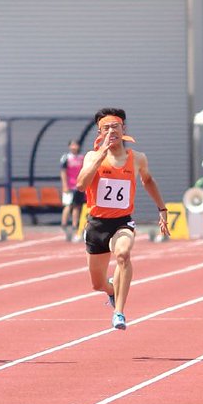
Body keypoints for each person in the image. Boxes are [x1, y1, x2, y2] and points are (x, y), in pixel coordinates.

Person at [74, 107, 169, 331]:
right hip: (97, 224)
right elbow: (80, 185)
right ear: (99, 131)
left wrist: (162, 209)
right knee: (97, 283)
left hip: (122, 222)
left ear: (123, 128)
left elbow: (148, 181)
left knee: (123, 254)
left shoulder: (137, 159)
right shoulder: (92, 156)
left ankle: (119, 312)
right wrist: (99, 156)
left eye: (115, 126)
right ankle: (111, 291)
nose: (111, 131)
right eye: (105, 128)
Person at [59, 140, 85, 240]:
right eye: (72, 145)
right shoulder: (66, 158)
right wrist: (65, 185)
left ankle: (75, 226)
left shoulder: (82, 158)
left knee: (77, 206)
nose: (74, 147)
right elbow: (63, 172)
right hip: (69, 186)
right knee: (68, 205)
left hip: (79, 185)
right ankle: (64, 225)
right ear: (69, 146)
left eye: (76, 145)